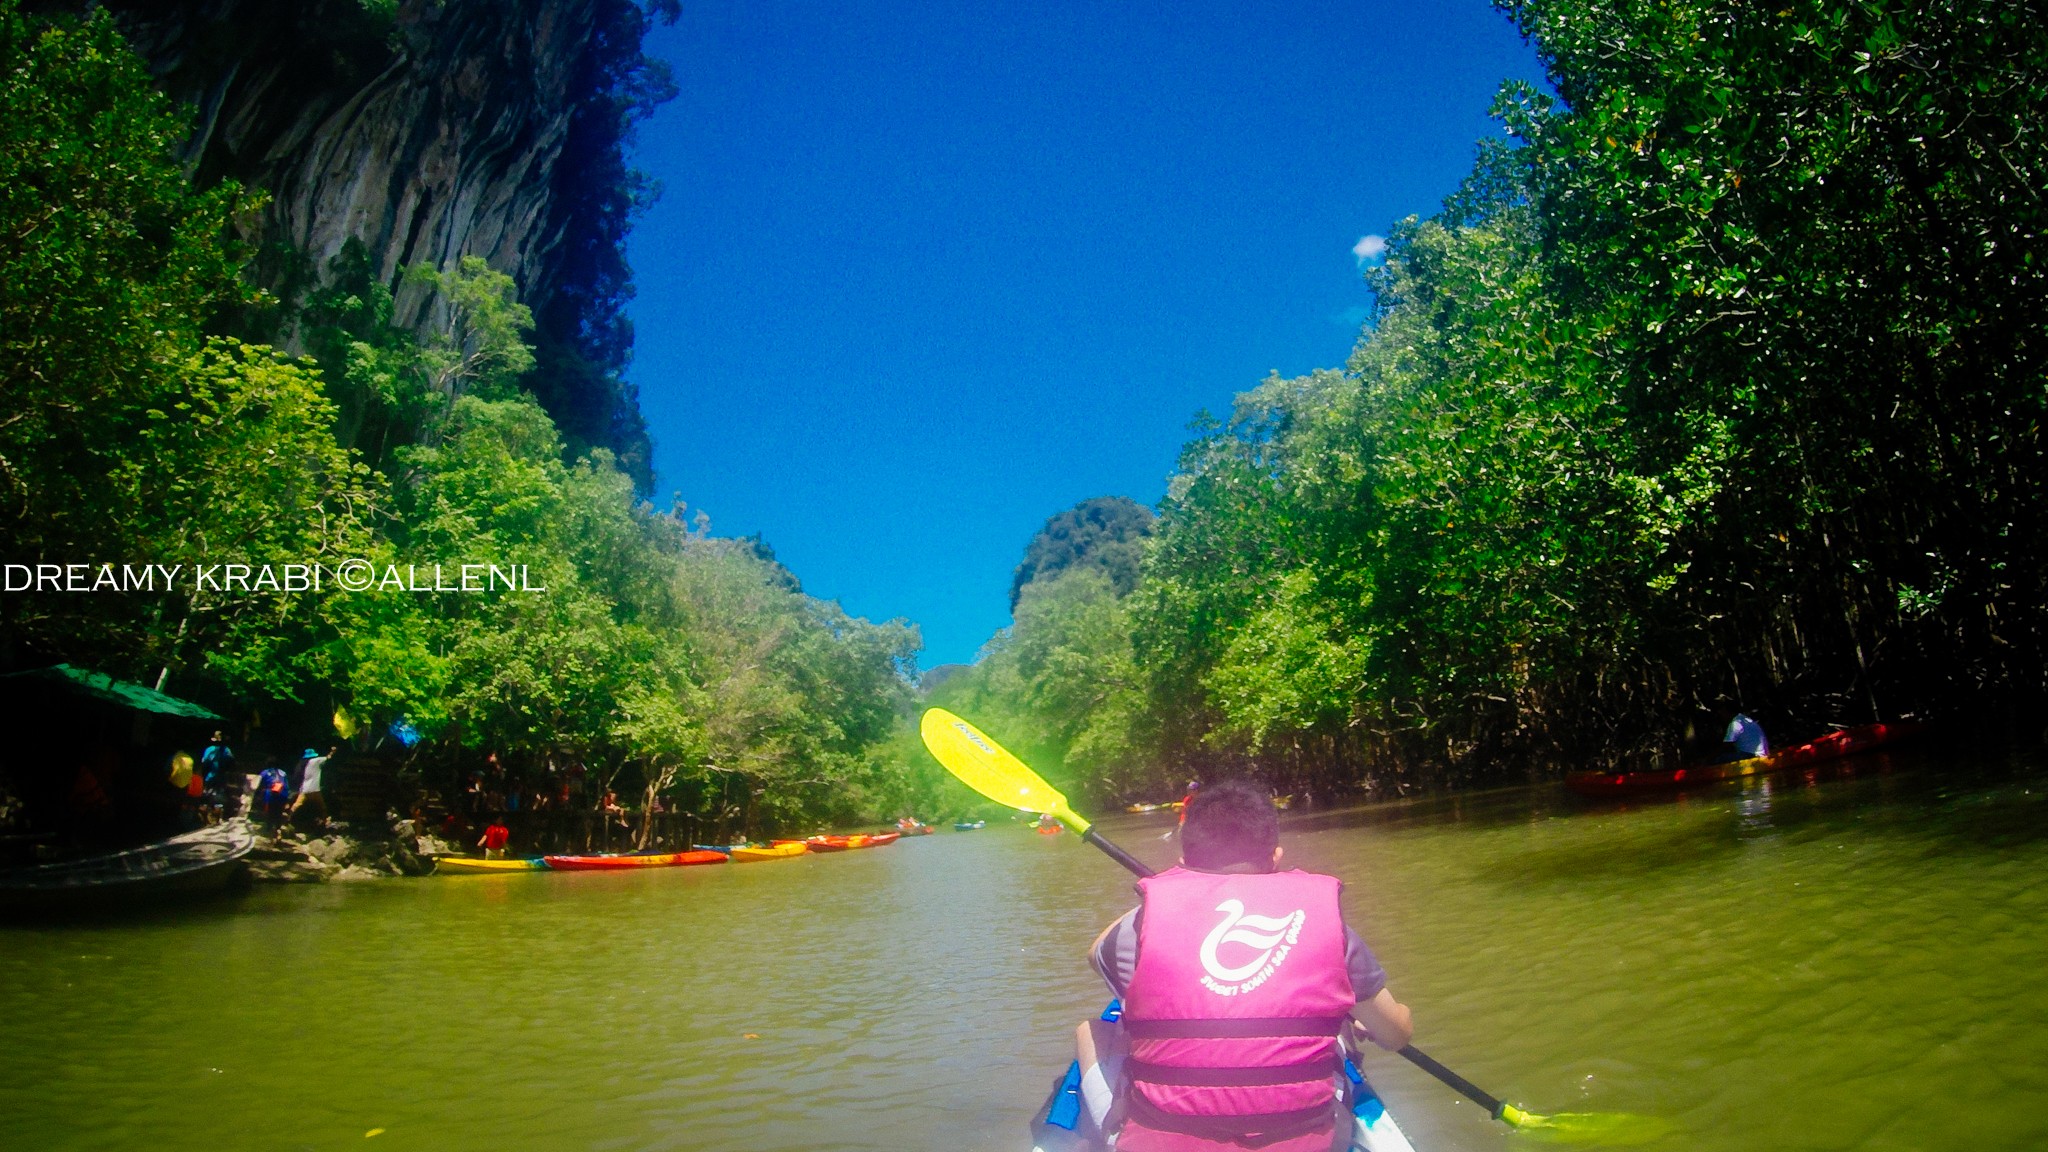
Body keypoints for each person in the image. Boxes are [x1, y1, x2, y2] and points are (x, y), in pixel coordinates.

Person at [1076, 778, 1413, 1152]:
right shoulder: (1332, 929)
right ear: (1276, 858)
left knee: (1092, 1029)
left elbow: (1096, 955)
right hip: (1299, 1141)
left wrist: (1165, 894)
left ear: (1185, 860)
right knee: (1337, 1037)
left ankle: (1117, 1123)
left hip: (1166, 1140)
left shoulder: (1136, 929)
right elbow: (1396, 1036)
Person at [288, 745, 335, 832]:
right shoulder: (315, 760)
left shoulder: (303, 763)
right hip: (315, 789)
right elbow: (328, 758)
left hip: (305, 789)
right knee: (323, 807)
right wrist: (333, 751)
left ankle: (288, 818)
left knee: (296, 805)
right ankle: (325, 822)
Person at [256, 759, 293, 836]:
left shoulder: (265, 772)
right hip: (283, 794)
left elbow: (257, 784)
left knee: (269, 811)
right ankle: (277, 830)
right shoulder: (283, 773)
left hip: (271, 794)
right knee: (278, 813)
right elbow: (287, 787)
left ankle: (269, 828)